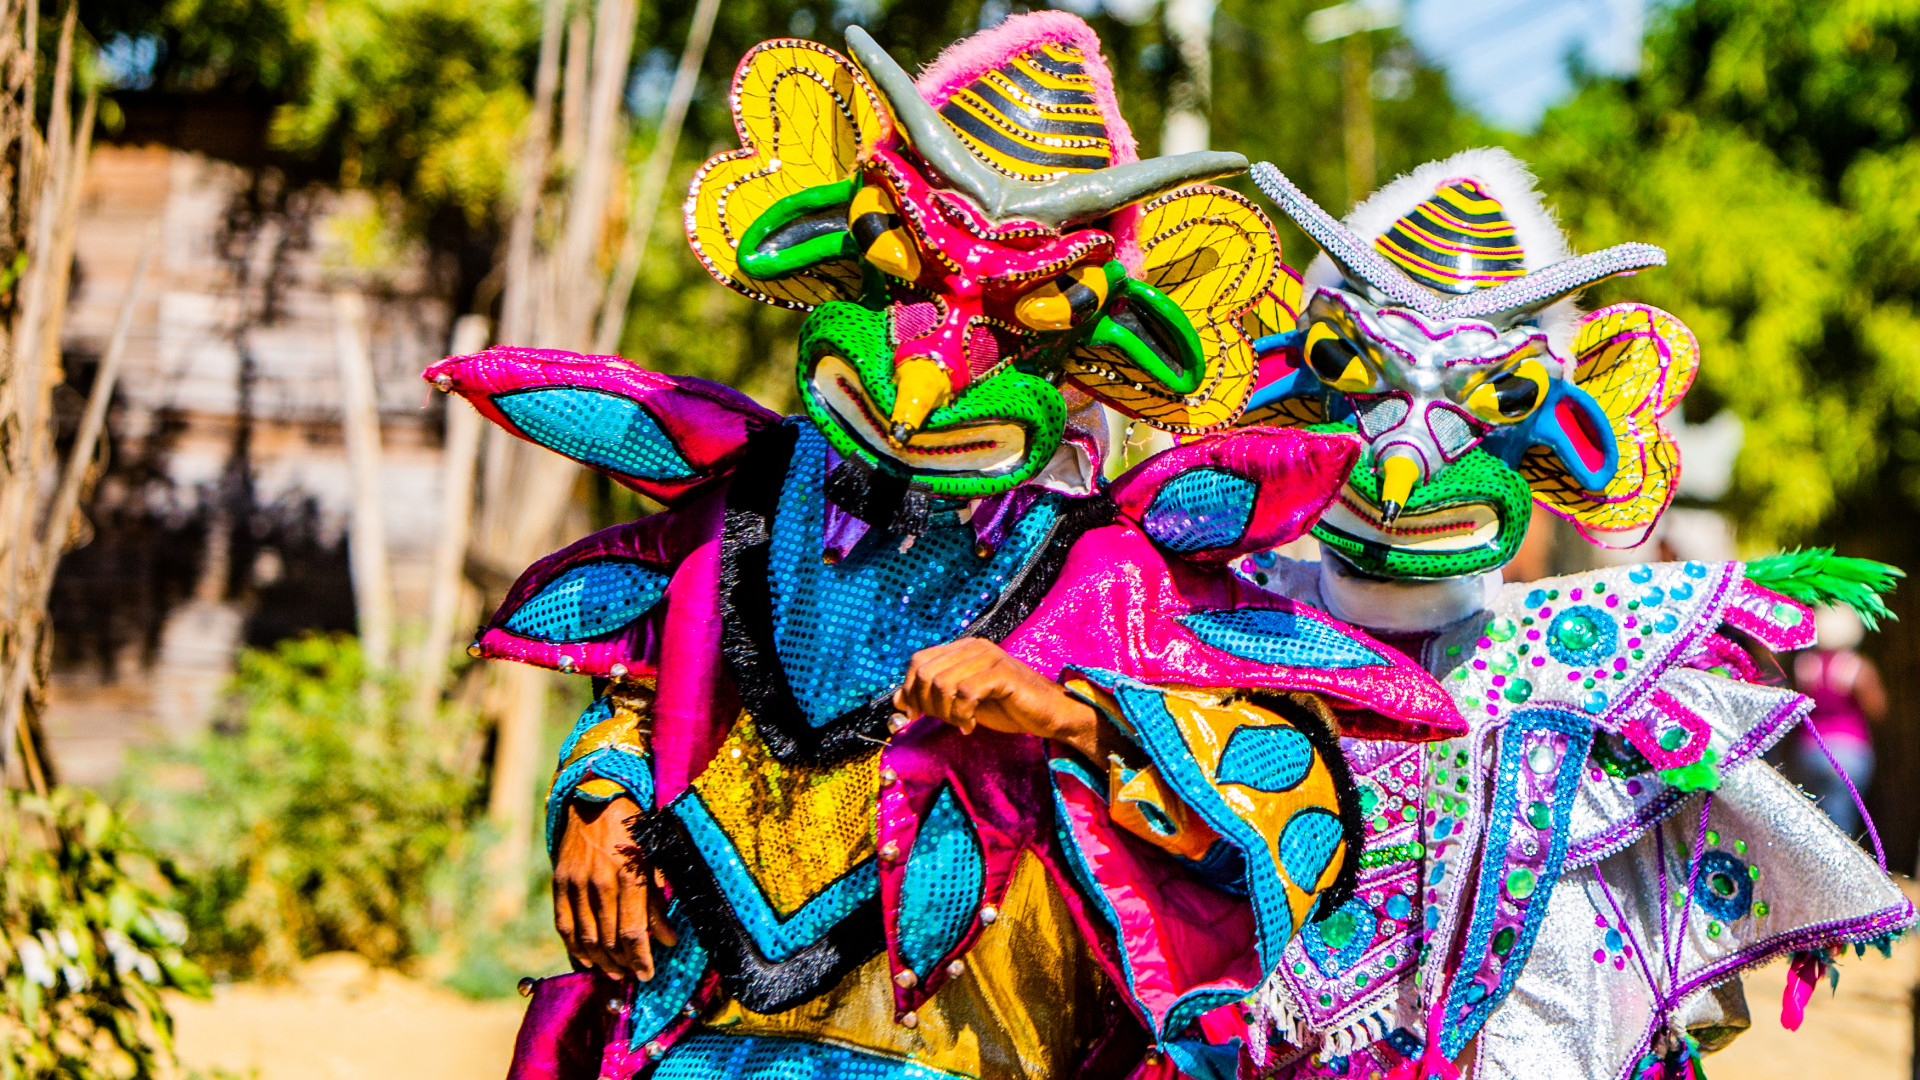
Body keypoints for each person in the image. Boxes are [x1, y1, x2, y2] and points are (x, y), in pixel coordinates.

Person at [432, 14, 1465, 1079]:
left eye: (1021, 311)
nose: (932, 374)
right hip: (695, 1045)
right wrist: (597, 802)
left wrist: (1068, 715)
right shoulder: (755, 500)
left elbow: (1295, 816)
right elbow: (647, 695)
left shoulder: (1114, 575)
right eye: (913, 275)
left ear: (1085, 338)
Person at [1229, 148, 1915, 1080]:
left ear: (1573, 430)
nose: (1401, 465)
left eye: (1492, 396)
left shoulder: (1589, 669)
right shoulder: (1207, 614)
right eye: (1354, 371)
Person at [1789, 605, 1886, 837]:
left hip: (1811, 749)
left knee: (1816, 814)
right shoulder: (1856, 668)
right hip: (1849, 752)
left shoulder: (1804, 665)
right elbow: (1877, 709)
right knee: (1841, 820)